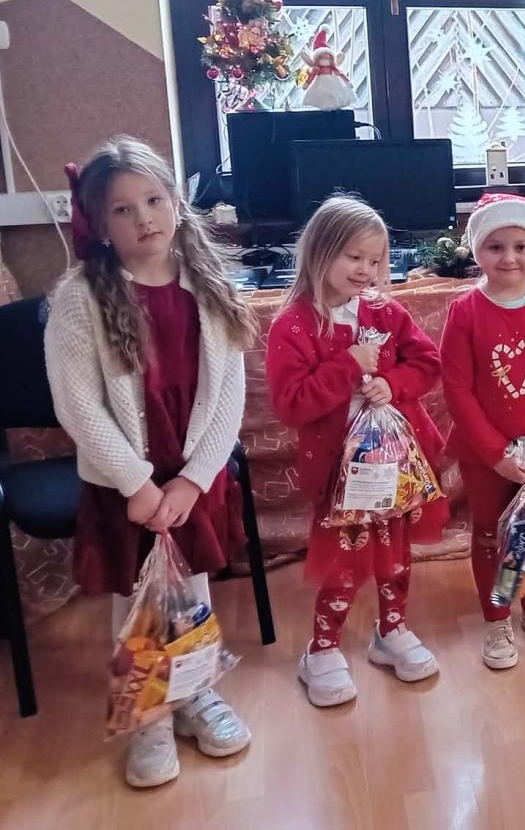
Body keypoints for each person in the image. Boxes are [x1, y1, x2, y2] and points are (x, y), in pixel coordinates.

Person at [45, 137, 259, 788]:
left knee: (191, 589)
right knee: (138, 600)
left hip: (191, 474)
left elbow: (229, 396)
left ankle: (193, 692)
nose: (143, 218)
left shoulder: (210, 286)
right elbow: (78, 405)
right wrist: (137, 484)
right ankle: (149, 713)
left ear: (175, 202)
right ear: (100, 224)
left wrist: (193, 480)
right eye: (122, 209)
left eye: (153, 199)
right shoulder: (81, 298)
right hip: (126, 482)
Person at [266, 196, 448, 707]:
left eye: (375, 259)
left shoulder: (385, 311)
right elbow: (291, 403)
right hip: (338, 474)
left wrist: (392, 383)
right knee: (342, 562)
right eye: (354, 257)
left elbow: (427, 363)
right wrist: (348, 365)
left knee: (396, 555)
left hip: (395, 466)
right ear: (320, 252)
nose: (366, 269)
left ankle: (391, 632)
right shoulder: (294, 325)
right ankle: (322, 649)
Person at [440, 194, 525, 666]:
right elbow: (458, 390)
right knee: (491, 533)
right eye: (495, 246)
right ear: (478, 251)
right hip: (486, 456)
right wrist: (496, 453)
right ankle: (498, 614)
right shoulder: (465, 311)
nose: (509, 258)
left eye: (521, 246)